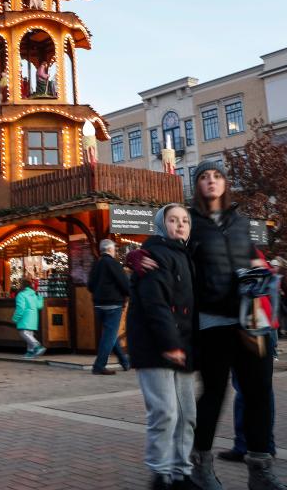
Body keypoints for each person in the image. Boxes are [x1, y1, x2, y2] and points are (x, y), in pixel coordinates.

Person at [134, 161, 287, 490]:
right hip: (212, 323)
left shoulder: (240, 222)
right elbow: (164, 243)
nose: (211, 181)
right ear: (197, 184)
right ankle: (200, 465)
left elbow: (250, 257)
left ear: (225, 183)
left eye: (216, 176)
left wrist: (268, 273)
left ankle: (260, 469)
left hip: (251, 322)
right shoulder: (190, 223)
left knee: (259, 392)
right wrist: (135, 255)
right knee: (214, 394)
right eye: (203, 177)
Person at [126, 204, 198, 490]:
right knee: (165, 412)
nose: (180, 225)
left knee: (186, 414)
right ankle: (161, 474)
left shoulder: (187, 256)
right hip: (157, 347)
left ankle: (182, 473)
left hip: (183, 345)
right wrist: (170, 343)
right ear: (160, 224)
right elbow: (155, 303)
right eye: (173, 220)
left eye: (185, 220)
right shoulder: (152, 255)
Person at [87, 238, 131, 375]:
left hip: (99, 305)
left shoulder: (96, 264)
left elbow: (90, 285)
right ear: (111, 250)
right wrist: (128, 294)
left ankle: (125, 362)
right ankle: (99, 366)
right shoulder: (114, 264)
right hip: (113, 305)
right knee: (109, 335)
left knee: (110, 334)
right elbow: (124, 283)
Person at [13, 277, 45, 359]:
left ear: (21, 285)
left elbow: (20, 308)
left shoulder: (21, 294)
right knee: (29, 334)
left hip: (25, 318)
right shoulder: (34, 294)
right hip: (33, 318)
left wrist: (15, 318)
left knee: (24, 333)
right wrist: (40, 298)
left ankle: (37, 346)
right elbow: (39, 306)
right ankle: (30, 352)